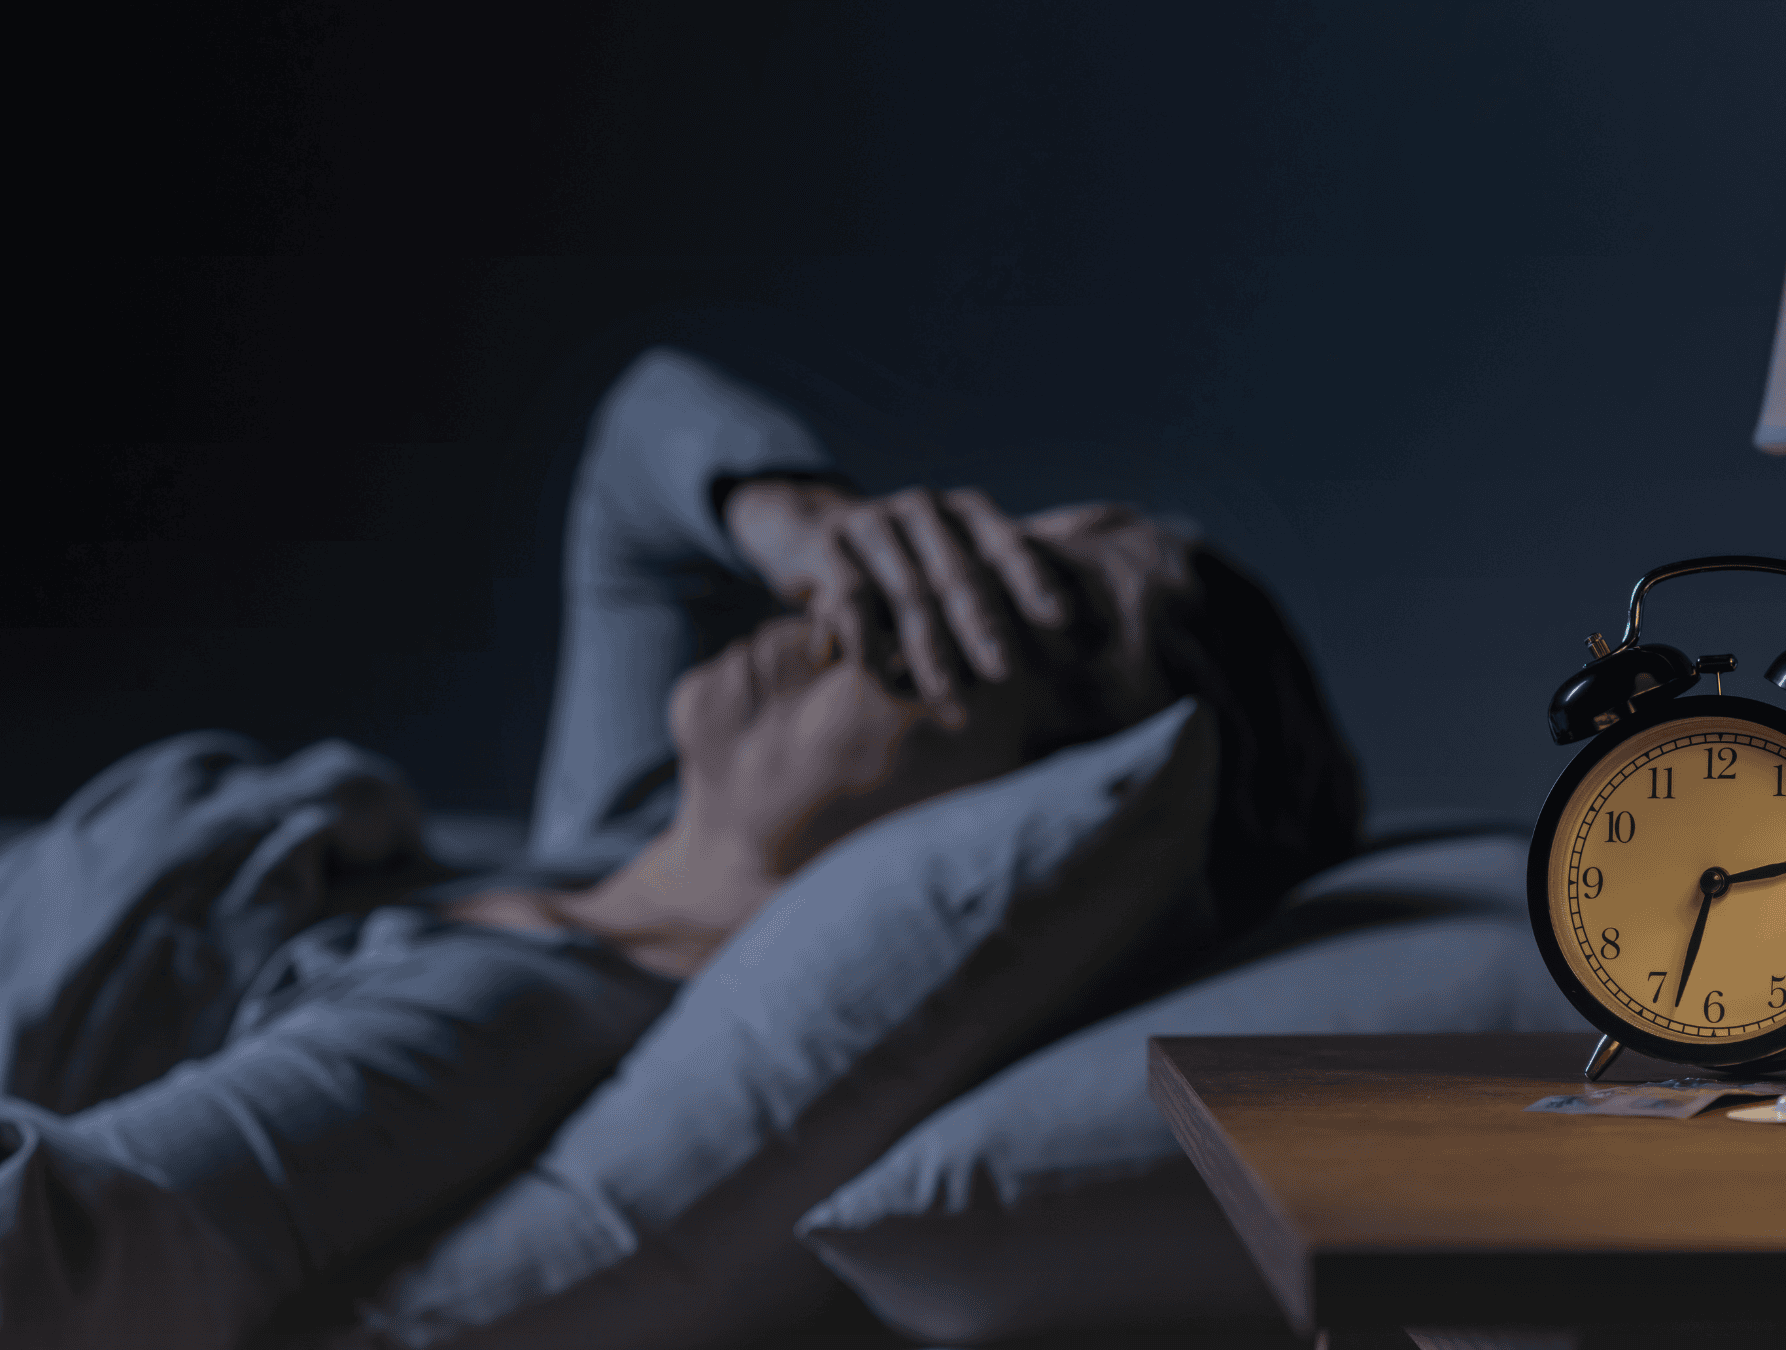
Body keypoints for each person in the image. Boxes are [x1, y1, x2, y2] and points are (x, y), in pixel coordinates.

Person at [0, 345, 1362, 1347]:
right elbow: (640, 441)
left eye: (990, 603)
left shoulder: (506, 1010)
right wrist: (808, 513)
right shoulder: (621, 839)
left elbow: (78, 1251)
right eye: (926, 549)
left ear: (1027, 790)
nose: (857, 599)